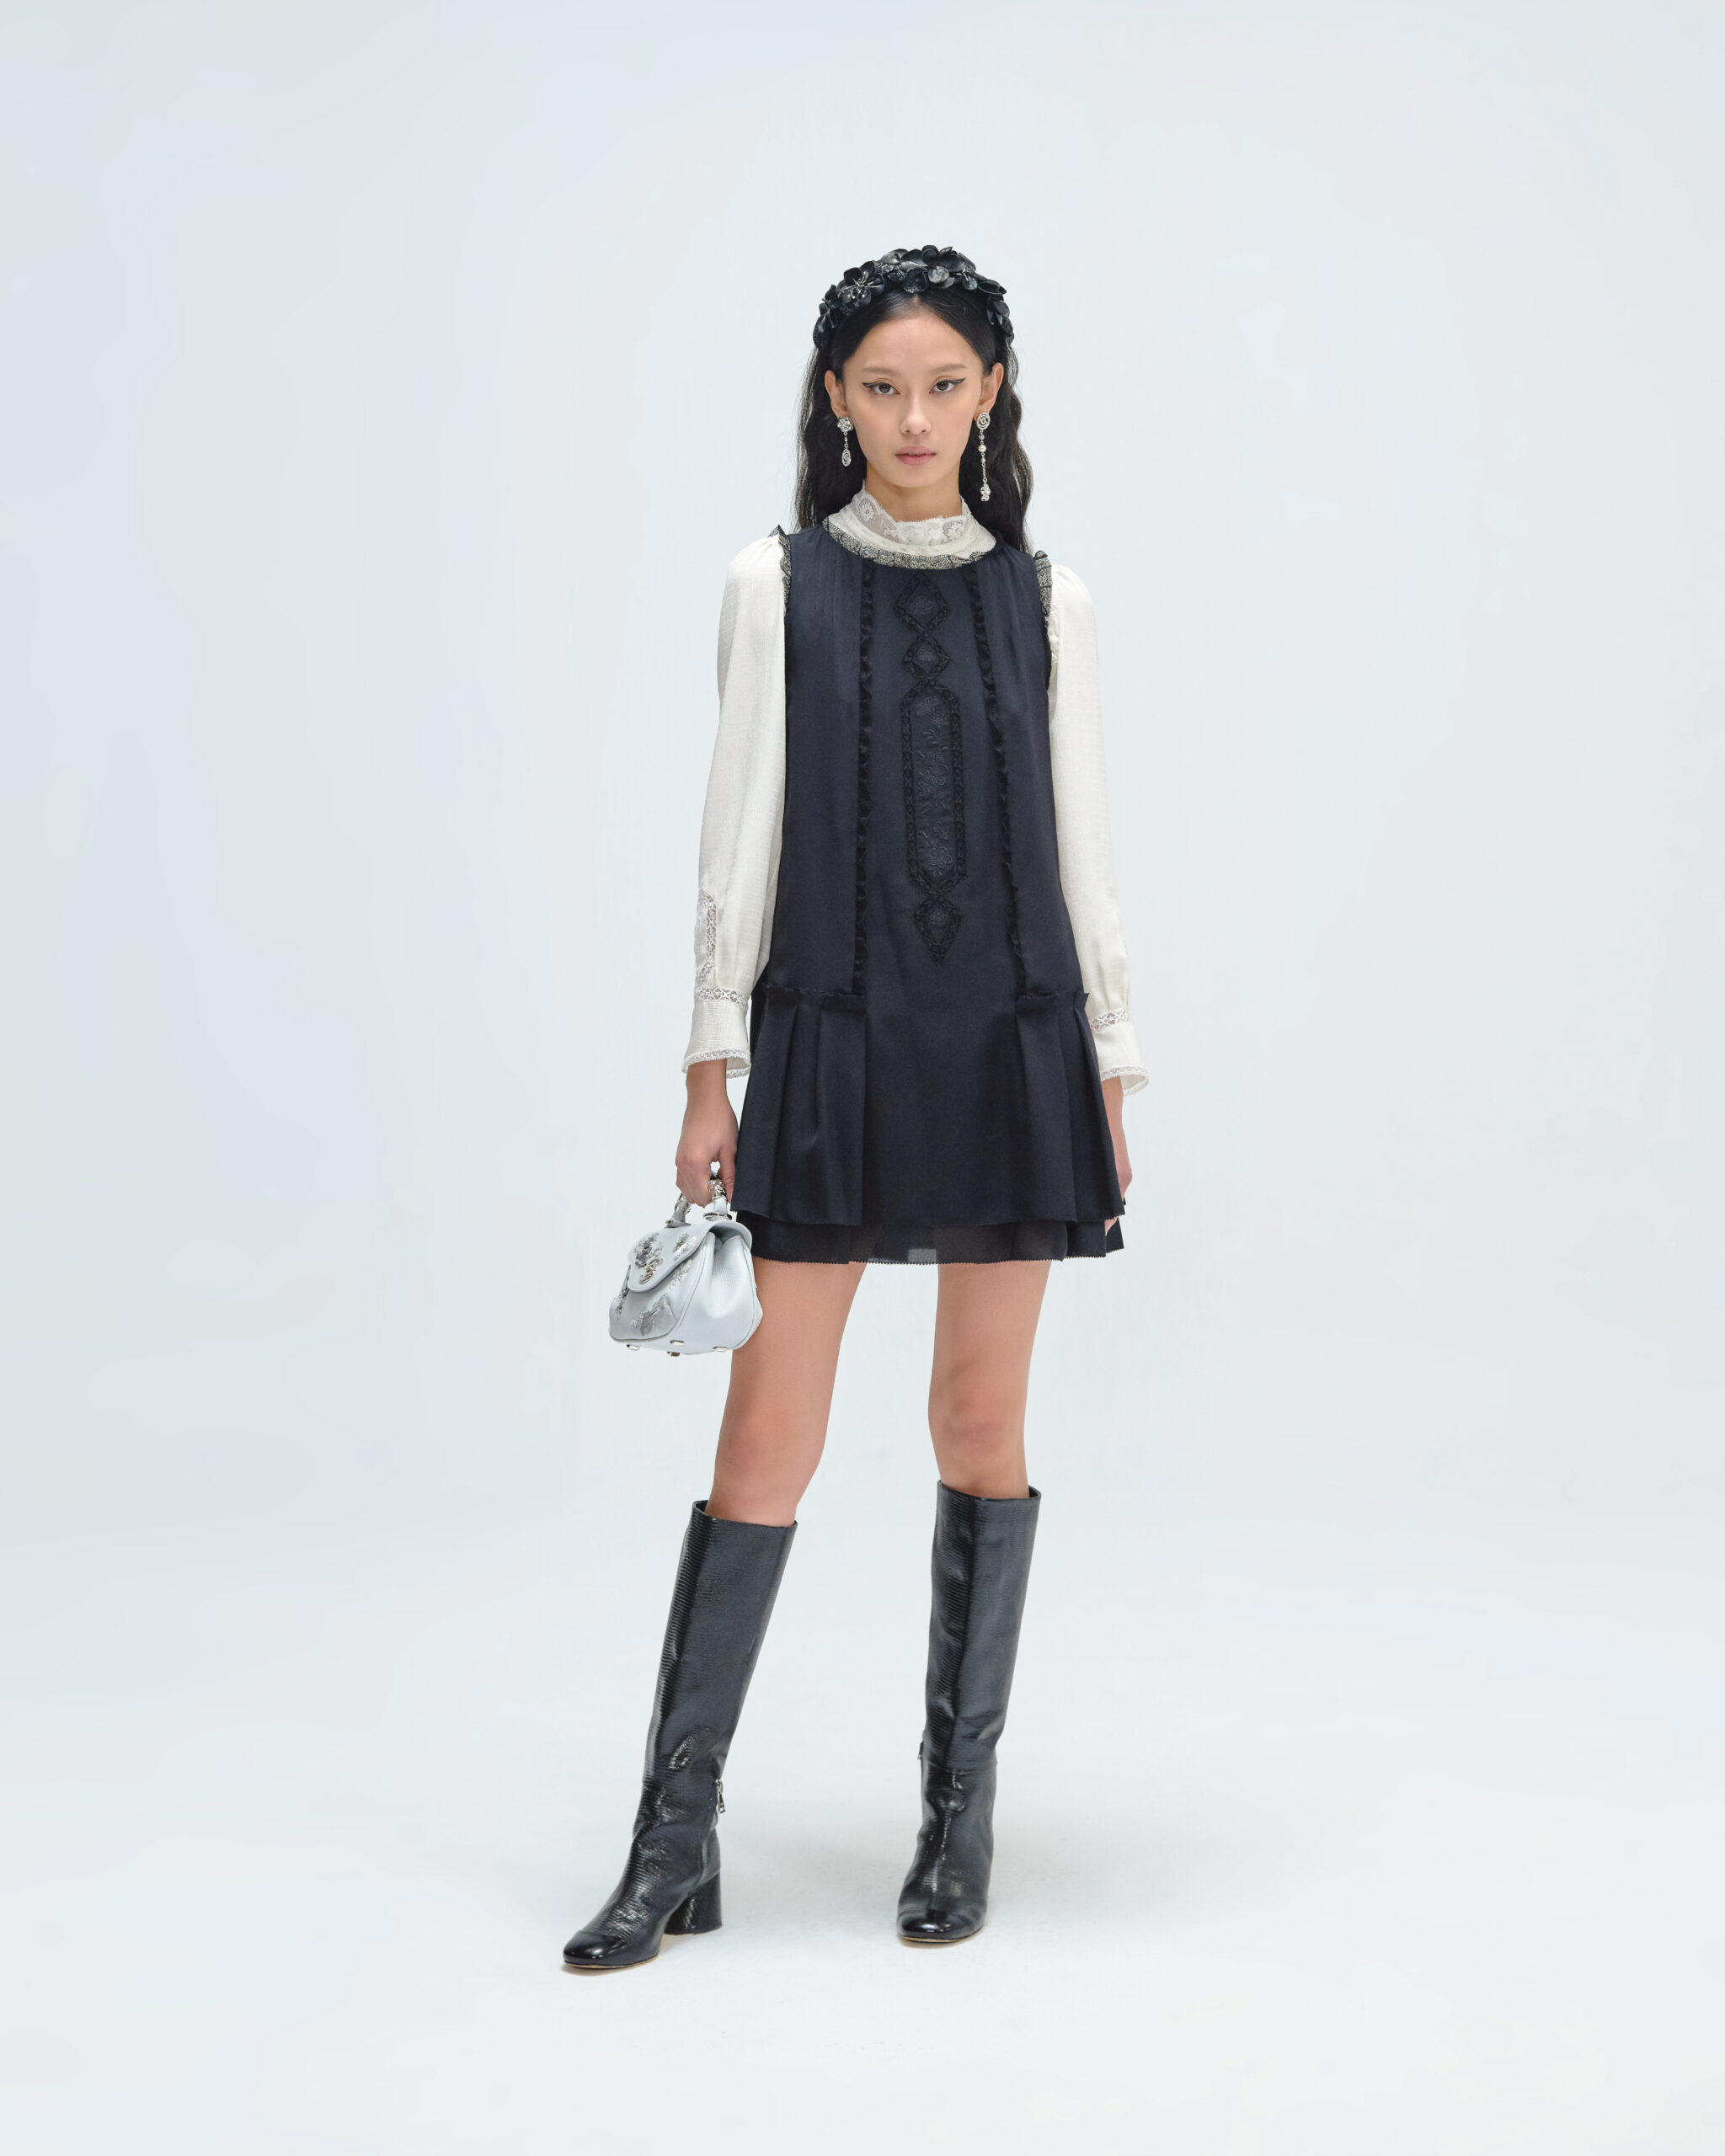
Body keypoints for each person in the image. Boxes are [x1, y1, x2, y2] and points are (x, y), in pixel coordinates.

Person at [563, 244, 1146, 1971]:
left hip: (1010, 1044)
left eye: (944, 385)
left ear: (992, 394)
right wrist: (706, 1064)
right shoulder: (775, 582)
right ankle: (674, 1841)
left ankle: (957, 1820)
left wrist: (1113, 1062)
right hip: (826, 1039)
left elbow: (1083, 846)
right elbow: (734, 831)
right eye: (882, 387)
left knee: (978, 1425)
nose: (913, 417)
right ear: (835, 397)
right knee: (767, 1440)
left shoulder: (1050, 598)